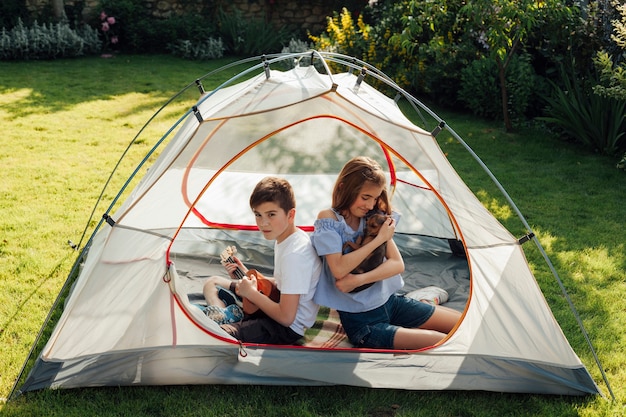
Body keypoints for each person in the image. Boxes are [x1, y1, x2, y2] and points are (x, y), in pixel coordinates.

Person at [311, 156, 461, 349]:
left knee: (463, 323)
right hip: (364, 323)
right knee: (443, 342)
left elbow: (397, 265)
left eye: (375, 198)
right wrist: (379, 240)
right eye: (365, 197)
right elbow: (339, 269)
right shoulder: (329, 220)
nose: (371, 205)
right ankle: (413, 321)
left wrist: (358, 280)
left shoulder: (371, 218)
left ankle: (420, 306)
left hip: (391, 303)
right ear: (343, 187)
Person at [204, 176, 322, 345]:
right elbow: (285, 282)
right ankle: (224, 314)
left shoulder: (295, 254)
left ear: (291, 215)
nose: (263, 223)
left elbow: (286, 318)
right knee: (212, 282)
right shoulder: (287, 238)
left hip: (286, 328)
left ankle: (225, 318)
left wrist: (251, 294)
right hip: (277, 300)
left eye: (271, 214)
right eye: (258, 215)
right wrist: (245, 273)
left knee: (215, 335)